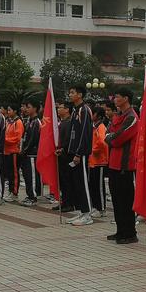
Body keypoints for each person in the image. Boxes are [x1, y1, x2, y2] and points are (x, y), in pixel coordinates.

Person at [105, 87, 139, 244]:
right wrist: (111, 137)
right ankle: (120, 231)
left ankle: (130, 233)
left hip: (125, 165)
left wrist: (111, 137)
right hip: (113, 163)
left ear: (126, 98)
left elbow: (119, 138)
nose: (115, 99)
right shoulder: (117, 116)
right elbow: (108, 134)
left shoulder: (132, 117)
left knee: (126, 201)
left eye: (117, 97)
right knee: (117, 200)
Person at [65, 86, 93, 226]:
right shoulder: (75, 110)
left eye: (72, 92)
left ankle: (88, 214)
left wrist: (79, 152)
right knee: (76, 183)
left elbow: (85, 133)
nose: (70, 94)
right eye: (70, 92)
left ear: (80, 95)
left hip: (80, 153)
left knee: (83, 183)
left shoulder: (84, 110)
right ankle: (82, 211)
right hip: (73, 151)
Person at [19, 100, 41, 207]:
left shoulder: (37, 122)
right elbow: (25, 137)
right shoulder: (28, 121)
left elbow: (33, 139)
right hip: (26, 153)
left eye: (28, 107)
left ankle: (33, 197)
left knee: (32, 176)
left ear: (35, 108)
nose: (26, 109)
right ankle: (29, 195)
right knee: (27, 176)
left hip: (32, 153)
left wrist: (25, 150)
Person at [53, 101, 74, 212]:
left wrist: (63, 149)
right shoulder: (61, 122)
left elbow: (69, 139)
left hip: (66, 155)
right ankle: (64, 201)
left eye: (60, 107)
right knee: (61, 180)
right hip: (60, 155)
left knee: (67, 180)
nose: (58, 109)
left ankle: (69, 203)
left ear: (67, 109)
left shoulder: (70, 122)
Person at [89, 106, 109, 219]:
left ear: (98, 115)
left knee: (99, 186)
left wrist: (93, 150)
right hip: (93, 161)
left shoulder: (101, 127)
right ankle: (96, 206)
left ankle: (102, 209)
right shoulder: (94, 127)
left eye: (93, 113)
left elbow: (102, 142)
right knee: (93, 185)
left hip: (100, 161)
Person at [3, 105, 24, 202]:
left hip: (14, 151)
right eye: (7, 110)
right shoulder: (9, 122)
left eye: (10, 110)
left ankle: (15, 193)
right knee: (9, 173)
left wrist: (5, 140)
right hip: (7, 151)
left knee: (15, 173)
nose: (8, 112)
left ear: (15, 111)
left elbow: (17, 138)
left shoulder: (18, 122)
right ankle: (11, 191)